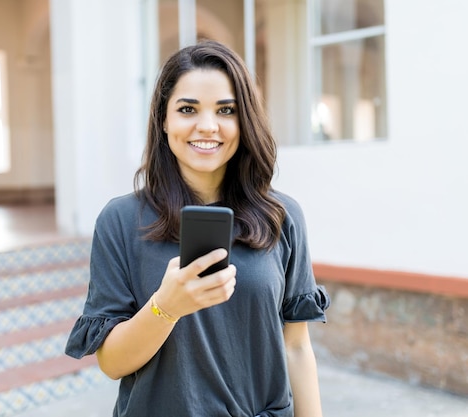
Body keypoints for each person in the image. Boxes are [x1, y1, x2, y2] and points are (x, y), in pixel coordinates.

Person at [65, 39, 330, 417]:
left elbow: (297, 347)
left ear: (245, 120)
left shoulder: (281, 215)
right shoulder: (122, 220)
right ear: (164, 119)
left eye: (226, 110)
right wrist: (166, 307)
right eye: (188, 109)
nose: (207, 126)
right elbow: (112, 363)